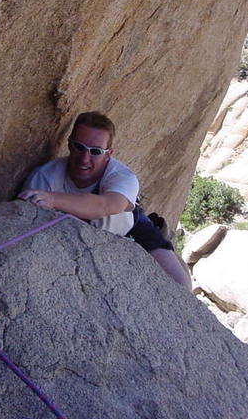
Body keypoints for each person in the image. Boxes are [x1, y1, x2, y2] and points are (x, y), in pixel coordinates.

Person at [18, 112, 191, 290]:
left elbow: (108, 205)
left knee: (181, 284)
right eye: (79, 147)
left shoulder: (122, 177)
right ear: (69, 144)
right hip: (80, 237)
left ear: (109, 154)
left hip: (129, 228)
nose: (85, 158)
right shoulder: (45, 177)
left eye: (95, 152)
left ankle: (168, 249)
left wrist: (52, 199)